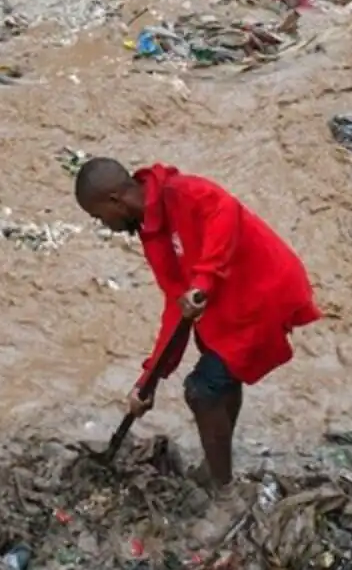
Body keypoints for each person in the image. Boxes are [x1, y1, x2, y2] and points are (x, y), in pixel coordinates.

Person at [73, 157, 320, 494]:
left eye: (100, 217)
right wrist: (148, 381)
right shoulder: (152, 231)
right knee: (218, 372)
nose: (105, 224)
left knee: (202, 391)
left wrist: (203, 280)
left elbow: (225, 212)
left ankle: (223, 491)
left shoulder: (183, 192)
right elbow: (176, 307)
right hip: (231, 304)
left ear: (114, 200)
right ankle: (218, 464)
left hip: (264, 294)